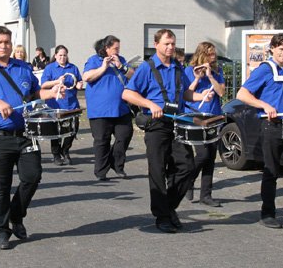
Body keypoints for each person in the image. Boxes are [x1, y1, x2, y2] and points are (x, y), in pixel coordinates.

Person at [0, 26, 59, 250]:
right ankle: (1, 231)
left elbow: (35, 94)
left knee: (32, 176)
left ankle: (16, 214)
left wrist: (52, 92)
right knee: (1, 187)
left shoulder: (23, 68)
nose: (3, 46)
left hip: (26, 134)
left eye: (7, 42)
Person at [122, 28, 213, 233]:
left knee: (186, 166)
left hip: (177, 123)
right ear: (156, 45)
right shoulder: (147, 68)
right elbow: (127, 94)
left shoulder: (178, 67)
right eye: (166, 44)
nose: (171, 47)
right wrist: (149, 104)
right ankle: (162, 216)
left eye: (173, 44)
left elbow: (186, 94)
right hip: (157, 125)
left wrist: (202, 96)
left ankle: (168, 207)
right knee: (158, 170)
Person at [236, 32, 283, 230]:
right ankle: (267, 213)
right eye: (281, 49)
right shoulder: (264, 69)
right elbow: (242, 94)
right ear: (272, 49)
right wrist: (264, 105)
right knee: (272, 170)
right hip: (272, 126)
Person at [82, 35, 134, 180]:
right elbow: (86, 77)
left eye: (118, 48)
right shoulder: (94, 60)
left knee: (125, 135)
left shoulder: (121, 60)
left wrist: (120, 66)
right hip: (100, 110)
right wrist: (103, 67)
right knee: (102, 141)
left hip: (121, 108)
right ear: (106, 48)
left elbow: (133, 75)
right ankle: (101, 171)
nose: (118, 51)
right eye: (115, 48)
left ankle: (116, 164)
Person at [182, 42, 225, 207]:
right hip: (195, 116)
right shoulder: (189, 70)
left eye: (214, 54)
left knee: (211, 157)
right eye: (210, 54)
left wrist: (210, 76)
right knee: (202, 154)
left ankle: (206, 194)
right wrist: (198, 77)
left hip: (213, 117)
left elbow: (221, 92)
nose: (213, 57)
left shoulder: (217, 71)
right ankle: (189, 180)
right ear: (202, 54)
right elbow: (186, 94)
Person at [40, 44, 84, 165]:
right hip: (55, 105)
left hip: (71, 105)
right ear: (55, 56)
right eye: (60, 55)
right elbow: (43, 85)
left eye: (64, 55)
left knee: (73, 129)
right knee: (55, 131)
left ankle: (65, 150)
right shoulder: (50, 68)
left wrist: (79, 85)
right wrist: (56, 81)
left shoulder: (73, 68)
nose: (62, 57)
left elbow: (79, 81)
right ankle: (56, 154)